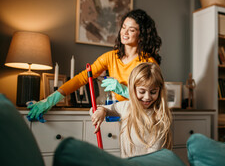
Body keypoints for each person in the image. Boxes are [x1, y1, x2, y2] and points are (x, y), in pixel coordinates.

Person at [27, 9, 162, 121]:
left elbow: (153, 99)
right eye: (123, 27)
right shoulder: (111, 57)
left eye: (131, 30)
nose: (124, 33)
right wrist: (50, 100)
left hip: (144, 118)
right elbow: (82, 78)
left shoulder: (148, 63)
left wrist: (123, 90)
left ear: (141, 35)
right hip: (122, 115)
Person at [91, 62, 173, 158]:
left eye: (153, 92)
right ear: (132, 89)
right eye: (142, 91)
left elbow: (157, 155)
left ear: (160, 90)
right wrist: (102, 111)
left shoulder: (160, 115)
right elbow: (94, 109)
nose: (147, 97)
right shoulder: (126, 107)